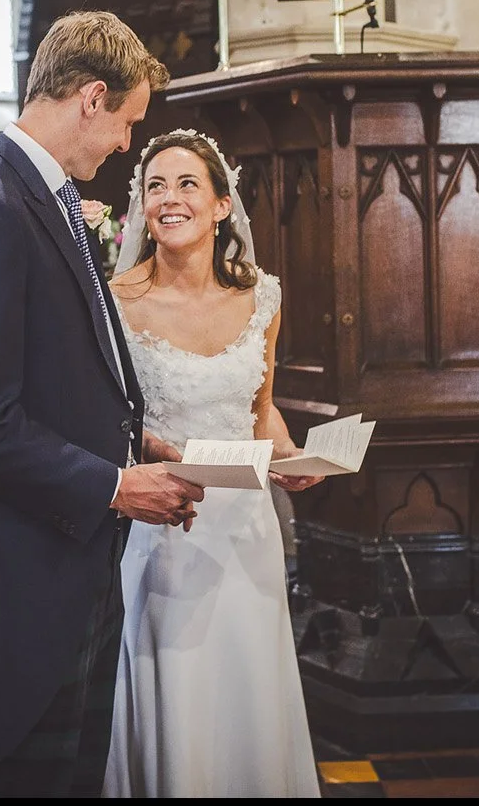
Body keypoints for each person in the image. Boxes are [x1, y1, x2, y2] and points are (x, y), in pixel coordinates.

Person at [0, 10, 207, 795]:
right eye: (127, 122)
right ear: (92, 98)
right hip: (17, 582)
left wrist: (133, 444)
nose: (126, 145)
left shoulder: (49, 198)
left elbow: (58, 372)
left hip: (72, 564)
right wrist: (114, 485)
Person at [102, 129, 325, 797]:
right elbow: (102, 417)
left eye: (186, 184)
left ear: (222, 205)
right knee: (179, 695)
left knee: (246, 692)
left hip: (246, 531)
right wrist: (146, 448)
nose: (168, 198)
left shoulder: (262, 297)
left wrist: (291, 455)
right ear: (141, 206)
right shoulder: (114, 300)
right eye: (155, 186)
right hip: (162, 524)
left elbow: (260, 407)